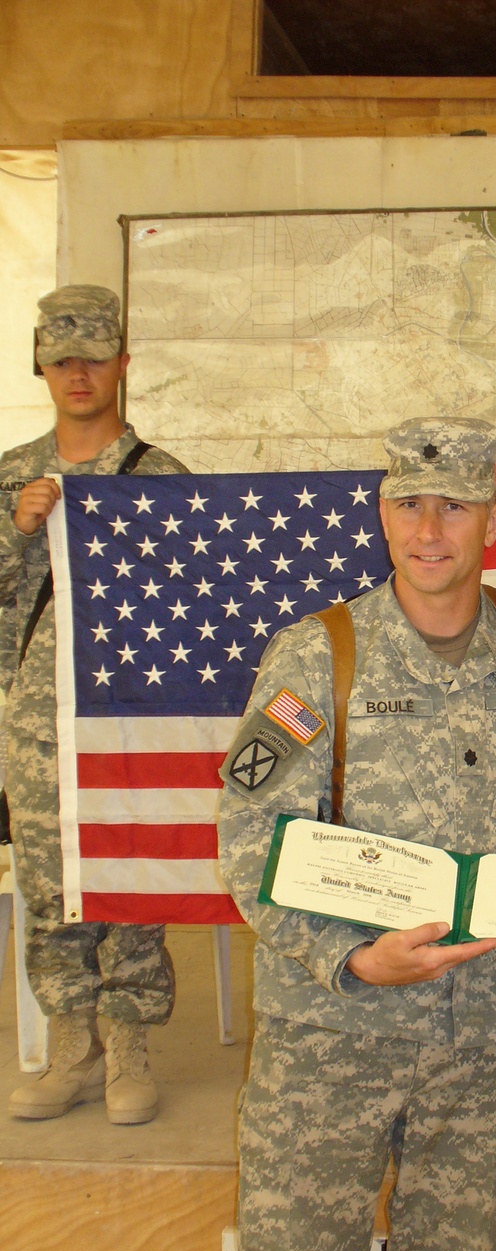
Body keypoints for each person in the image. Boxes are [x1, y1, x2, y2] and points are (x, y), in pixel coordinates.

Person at [216, 417, 496, 1251]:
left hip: (486, 1034)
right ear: (381, 515)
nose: (430, 528)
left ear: (493, 520)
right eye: (409, 504)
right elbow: (250, 832)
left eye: (454, 506)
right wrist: (351, 959)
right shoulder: (315, 656)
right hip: (330, 1035)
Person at [3, 285, 186, 1125]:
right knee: (51, 879)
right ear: (41, 365)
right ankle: (72, 1051)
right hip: (36, 722)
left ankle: (130, 1051)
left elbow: (195, 600)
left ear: (122, 362)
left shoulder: (160, 477)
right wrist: (17, 534)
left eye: (94, 354)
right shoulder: (11, 476)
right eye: (61, 355)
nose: (78, 371)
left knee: (128, 874)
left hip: (129, 715)